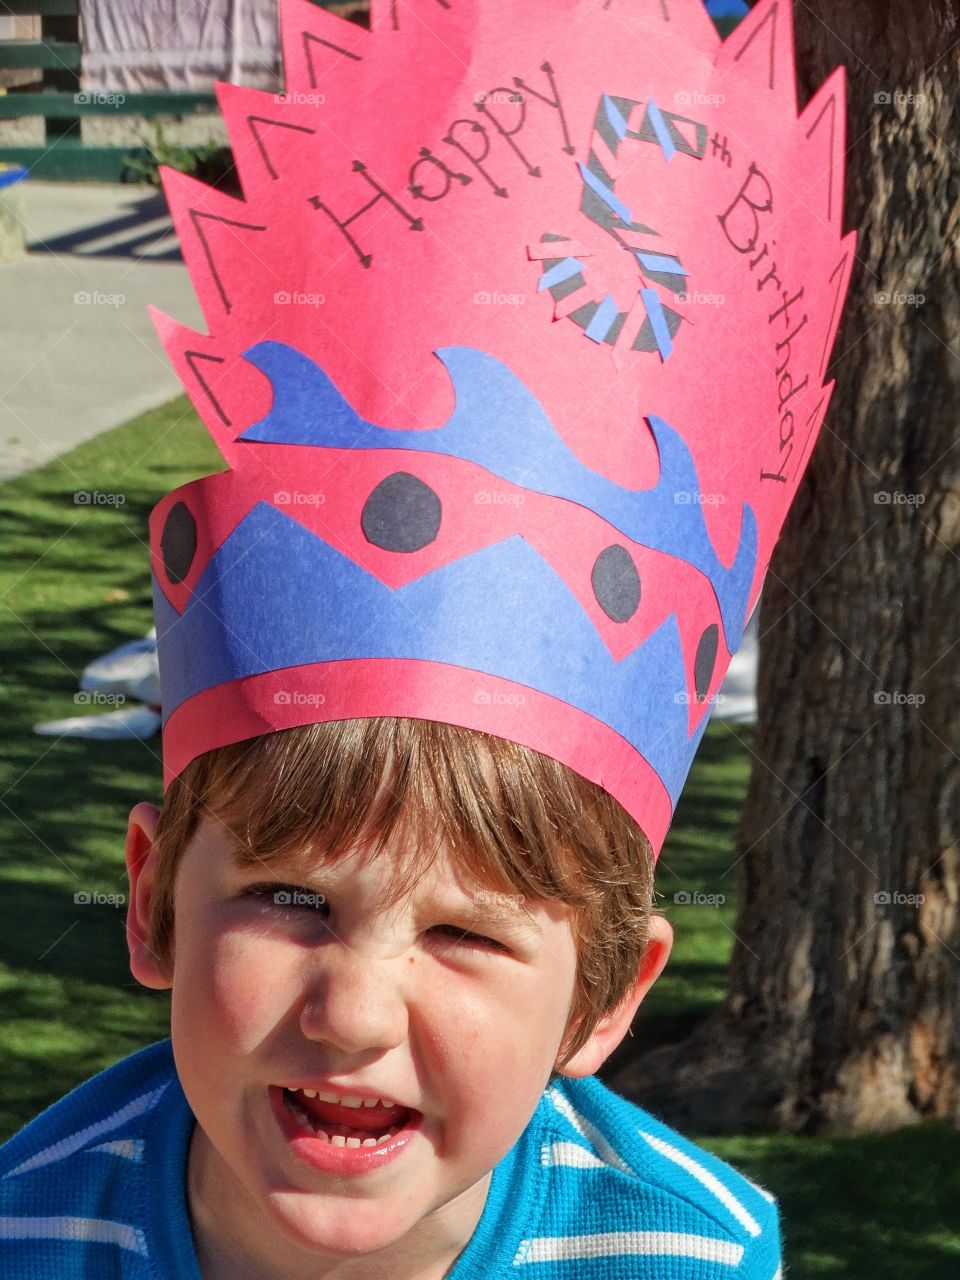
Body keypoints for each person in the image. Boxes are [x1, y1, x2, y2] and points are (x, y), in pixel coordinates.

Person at [0, 0, 854, 1274]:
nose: (352, 1011)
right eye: (289, 897)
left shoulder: (687, 1250)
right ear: (152, 901)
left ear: (607, 996)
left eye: (467, 932)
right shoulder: (31, 1224)